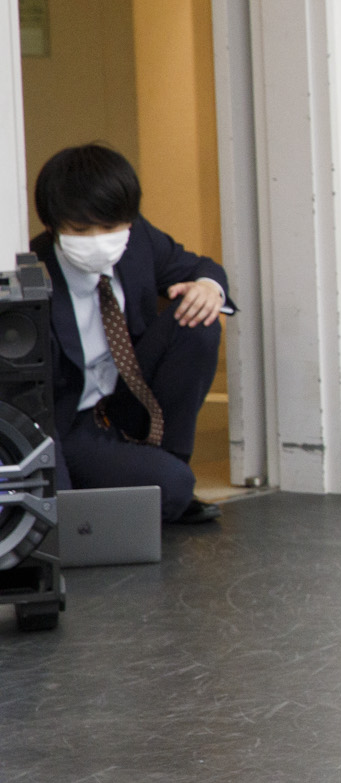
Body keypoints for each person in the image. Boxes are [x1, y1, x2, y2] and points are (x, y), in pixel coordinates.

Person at [32, 145, 231, 527]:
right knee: (169, 488)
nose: (97, 240)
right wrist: (57, 504)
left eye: (109, 228)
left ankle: (165, 463)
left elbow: (200, 267)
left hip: (127, 400)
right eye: (80, 230)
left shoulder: (139, 239)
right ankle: (129, 483)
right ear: (52, 225)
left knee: (199, 319)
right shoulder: (33, 271)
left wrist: (209, 288)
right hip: (73, 423)